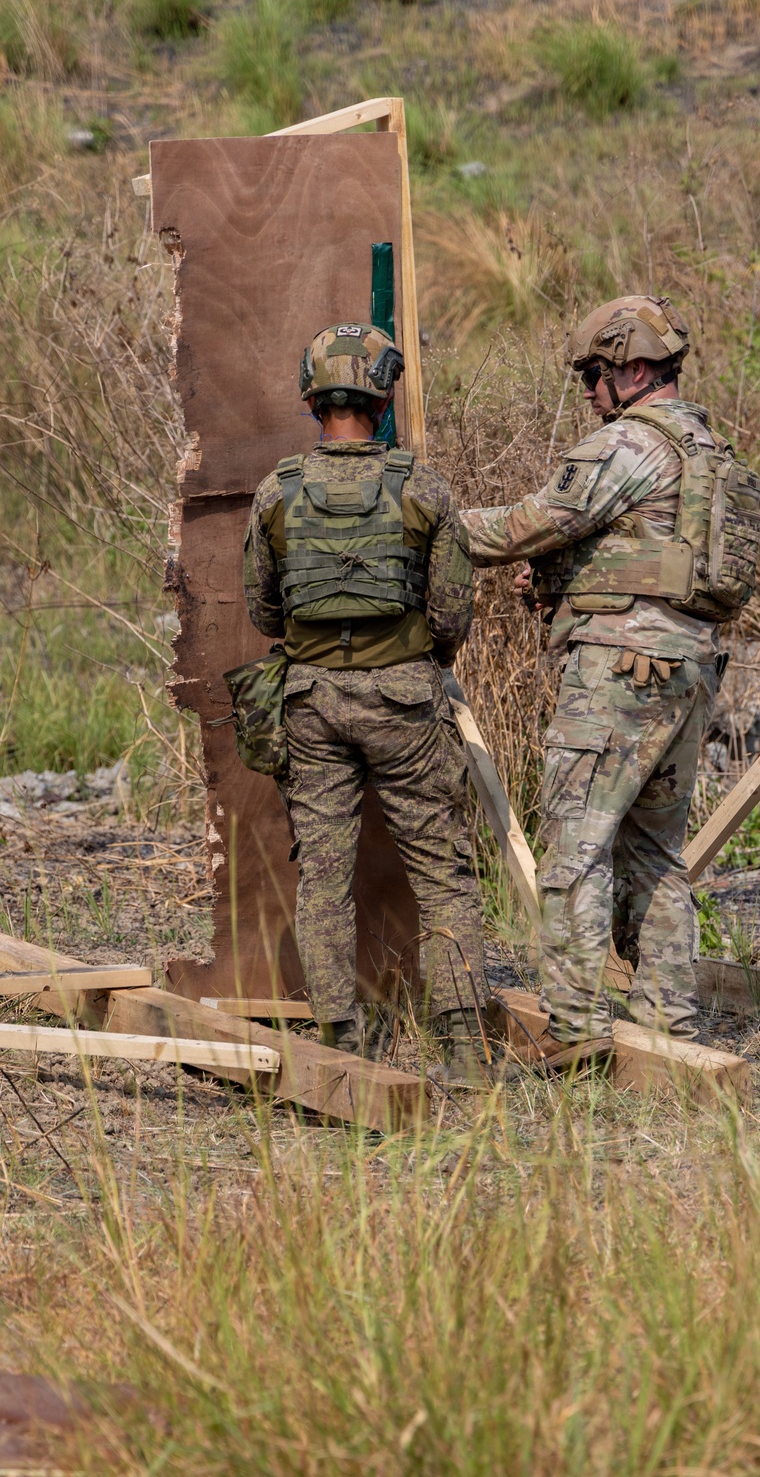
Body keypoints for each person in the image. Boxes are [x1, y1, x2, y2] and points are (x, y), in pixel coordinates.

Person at [462, 296, 760, 1044]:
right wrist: (561, 578)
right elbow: (642, 554)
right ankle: (668, 1020)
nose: (589, 393)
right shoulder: (705, 448)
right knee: (657, 853)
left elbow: (527, 522)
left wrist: (429, 518)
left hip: (621, 672)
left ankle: (578, 1026)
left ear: (632, 368)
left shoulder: (627, 445)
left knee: (575, 843)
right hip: (689, 669)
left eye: (594, 375)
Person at [244, 322, 490, 1084]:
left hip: (313, 702)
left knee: (323, 871)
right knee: (443, 872)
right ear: (381, 398)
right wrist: (413, 659)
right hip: (406, 702)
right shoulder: (423, 487)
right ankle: (463, 1053)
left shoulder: (275, 491)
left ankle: (341, 1047)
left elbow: (262, 610)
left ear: (313, 399)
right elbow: (452, 614)